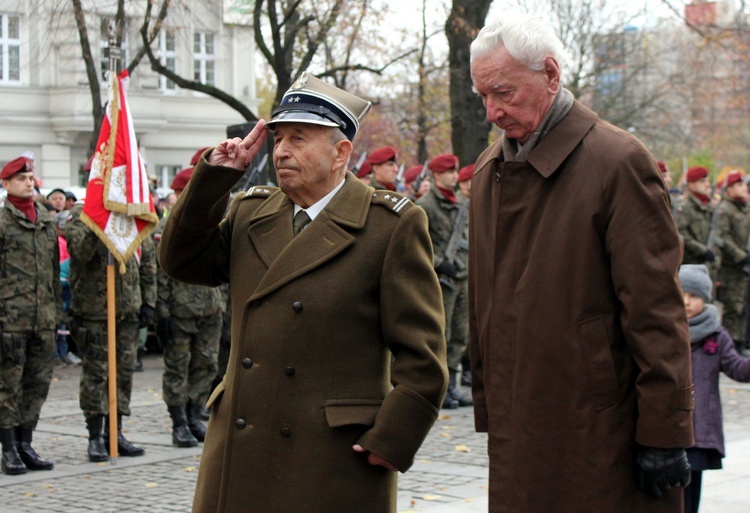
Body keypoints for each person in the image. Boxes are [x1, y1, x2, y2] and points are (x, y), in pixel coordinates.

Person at [158, 72, 448, 513]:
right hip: (243, 445)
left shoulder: (388, 226)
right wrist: (215, 179)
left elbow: (423, 356)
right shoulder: (250, 212)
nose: (281, 151)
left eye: (298, 138)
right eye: (277, 139)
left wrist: (392, 440)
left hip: (330, 457)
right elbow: (180, 261)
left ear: (340, 153)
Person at [468, 13, 694, 512]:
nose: (491, 112)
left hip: (600, 426)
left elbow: (655, 310)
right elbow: (482, 304)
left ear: (550, 75)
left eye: (503, 93)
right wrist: (490, 403)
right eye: (482, 96)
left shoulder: (616, 161)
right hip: (520, 420)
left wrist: (665, 431)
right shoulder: (488, 172)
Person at [66, 202, 157, 462]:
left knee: (124, 372)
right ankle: (95, 437)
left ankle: (115, 433)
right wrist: (100, 218)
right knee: (97, 374)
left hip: (127, 309)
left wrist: (148, 302)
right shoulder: (81, 212)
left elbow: (147, 259)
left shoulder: (133, 211)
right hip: (95, 309)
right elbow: (78, 252)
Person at [0, 156, 62, 475]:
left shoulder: (46, 222)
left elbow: (52, 271)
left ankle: (26, 443)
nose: (28, 182)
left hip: (43, 318)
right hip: (10, 319)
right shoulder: (2, 222)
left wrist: (57, 313)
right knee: (8, 385)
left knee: (37, 384)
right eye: (21, 178)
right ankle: (8, 448)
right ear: (6, 183)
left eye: (30, 177)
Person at [153, 166, 222, 447]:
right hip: (180, 312)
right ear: (177, 194)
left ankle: (195, 415)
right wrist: (161, 313)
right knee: (177, 369)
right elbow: (159, 272)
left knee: (206, 365)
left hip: (211, 310)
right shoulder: (165, 227)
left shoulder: (215, 222)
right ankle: (179, 422)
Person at [678, 264, 750, 513]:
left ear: (705, 298)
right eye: (682, 294)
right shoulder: (666, 331)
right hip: (670, 427)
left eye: (694, 295)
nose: (687, 301)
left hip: (700, 431)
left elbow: (738, 369)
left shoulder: (717, 337)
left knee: (690, 496)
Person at [416, 154, 472, 409]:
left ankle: (452, 386)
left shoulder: (461, 203)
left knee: (460, 334)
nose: (453, 175)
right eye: (448, 171)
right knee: (442, 334)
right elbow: (418, 243)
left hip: (462, 276)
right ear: (436, 175)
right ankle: (438, 388)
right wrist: (440, 263)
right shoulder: (426, 205)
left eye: (454, 171)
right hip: (440, 278)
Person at [715, 170, 750, 353]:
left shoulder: (744, 208)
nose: (744, 188)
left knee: (741, 305)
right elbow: (722, 238)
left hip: (743, 265)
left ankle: (738, 343)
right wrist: (740, 255)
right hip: (730, 266)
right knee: (731, 307)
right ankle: (727, 347)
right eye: (739, 185)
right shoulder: (725, 209)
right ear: (729, 190)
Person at [676, 166, 715, 265]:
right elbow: (680, 235)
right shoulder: (685, 207)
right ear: (691, 184)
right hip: (691, 263)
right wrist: (703, 250)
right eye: (702, 182)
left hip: (708, 263)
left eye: (707, 181)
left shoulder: (708, 206)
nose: (707, 185)